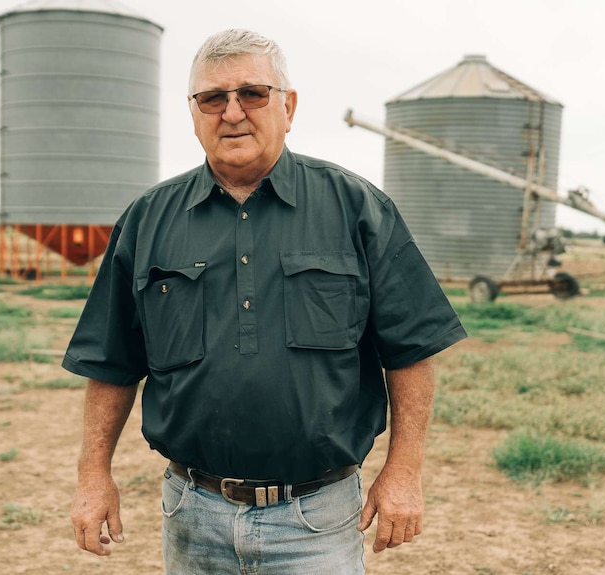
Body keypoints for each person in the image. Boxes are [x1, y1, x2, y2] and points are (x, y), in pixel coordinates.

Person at [63, 28, 467, 574]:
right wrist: (93, 475)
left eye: (252, 93)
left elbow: (412, 348)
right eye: (212, 98)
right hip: (192, 512)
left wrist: (405, 470)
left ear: (288, 106)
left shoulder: (356, 208)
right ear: (194, 111)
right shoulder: (147, 220)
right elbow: (111, 363)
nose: (232, 112)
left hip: (316, 519)